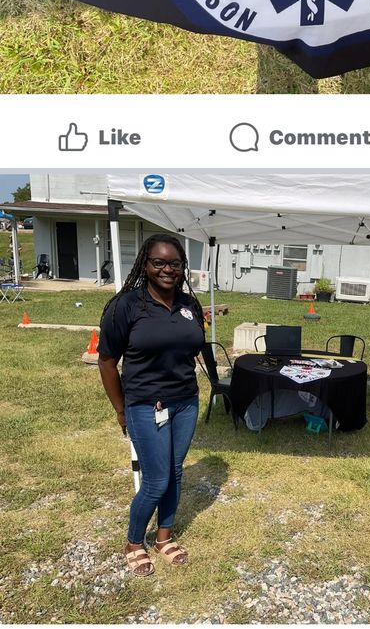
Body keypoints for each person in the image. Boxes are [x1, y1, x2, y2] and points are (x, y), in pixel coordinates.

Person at [98, 234, 206, 577]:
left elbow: (191, 349)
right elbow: (106, 362)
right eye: (158, 262)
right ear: (145, 264)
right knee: (157, 480)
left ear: (182, 267)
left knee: (174, 472)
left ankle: (164, 538)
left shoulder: (190, 305)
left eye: (174, 263)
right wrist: (121, 409)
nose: (167, 269)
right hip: (146, 404)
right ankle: (134, 542)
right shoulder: (126, 306)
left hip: (186, 402)